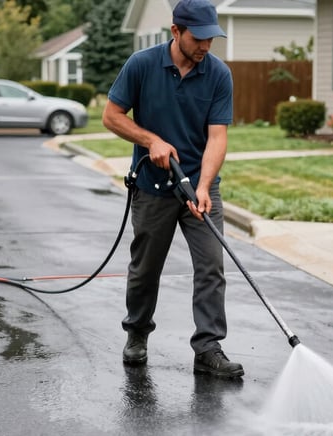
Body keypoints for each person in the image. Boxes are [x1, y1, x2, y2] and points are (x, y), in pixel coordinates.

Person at [102, 0, 243, 378]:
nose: (205, 47)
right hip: (153, 188)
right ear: (176, 31)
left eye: (211, 39)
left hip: (198, 188)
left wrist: (204, 186)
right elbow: (111, 116)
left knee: (211, 266)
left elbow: (217, 137)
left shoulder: (217, 74)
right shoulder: (142, 65)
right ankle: (137, 335)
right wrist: (150, 140)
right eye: (199, 38)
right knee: (146, 269)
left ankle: (208, 348)